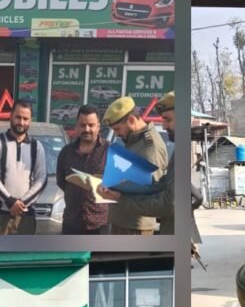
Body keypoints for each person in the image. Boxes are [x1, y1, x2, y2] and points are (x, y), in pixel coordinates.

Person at [98, 91, 176, 235]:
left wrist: (117, 191)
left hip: (135, 227)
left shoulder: (150, 147)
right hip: (124, 221)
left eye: (117, 129)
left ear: (132, 120)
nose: (116, 134)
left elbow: (153, 191)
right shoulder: (133, 140)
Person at [0, 100, 47, 234]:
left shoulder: (37, 147)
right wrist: (9, 201)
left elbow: (42, 179)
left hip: (25, 216)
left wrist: (21, 203)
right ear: (11, 116)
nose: (21, 122)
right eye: (18, 117)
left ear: (30, 121)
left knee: (23, 255)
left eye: (25, 119)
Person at [56, 105, 111, 234]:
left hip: (99, 224)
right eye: (82, 125)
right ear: (77, 127)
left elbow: (117, 183)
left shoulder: (109, 151)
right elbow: (62, 182)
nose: (86, 129)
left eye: (91, 125)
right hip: (72, 224)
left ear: (98, 126)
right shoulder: (66, 152)